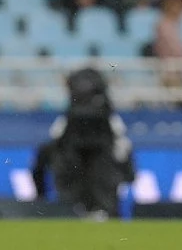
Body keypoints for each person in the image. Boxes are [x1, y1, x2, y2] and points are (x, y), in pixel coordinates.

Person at [31, 67, 135, 218]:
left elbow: (122, 147)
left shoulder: (108, 120)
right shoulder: (70, 120)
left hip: (99, 173)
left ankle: (98, 209)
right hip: (75, 175)